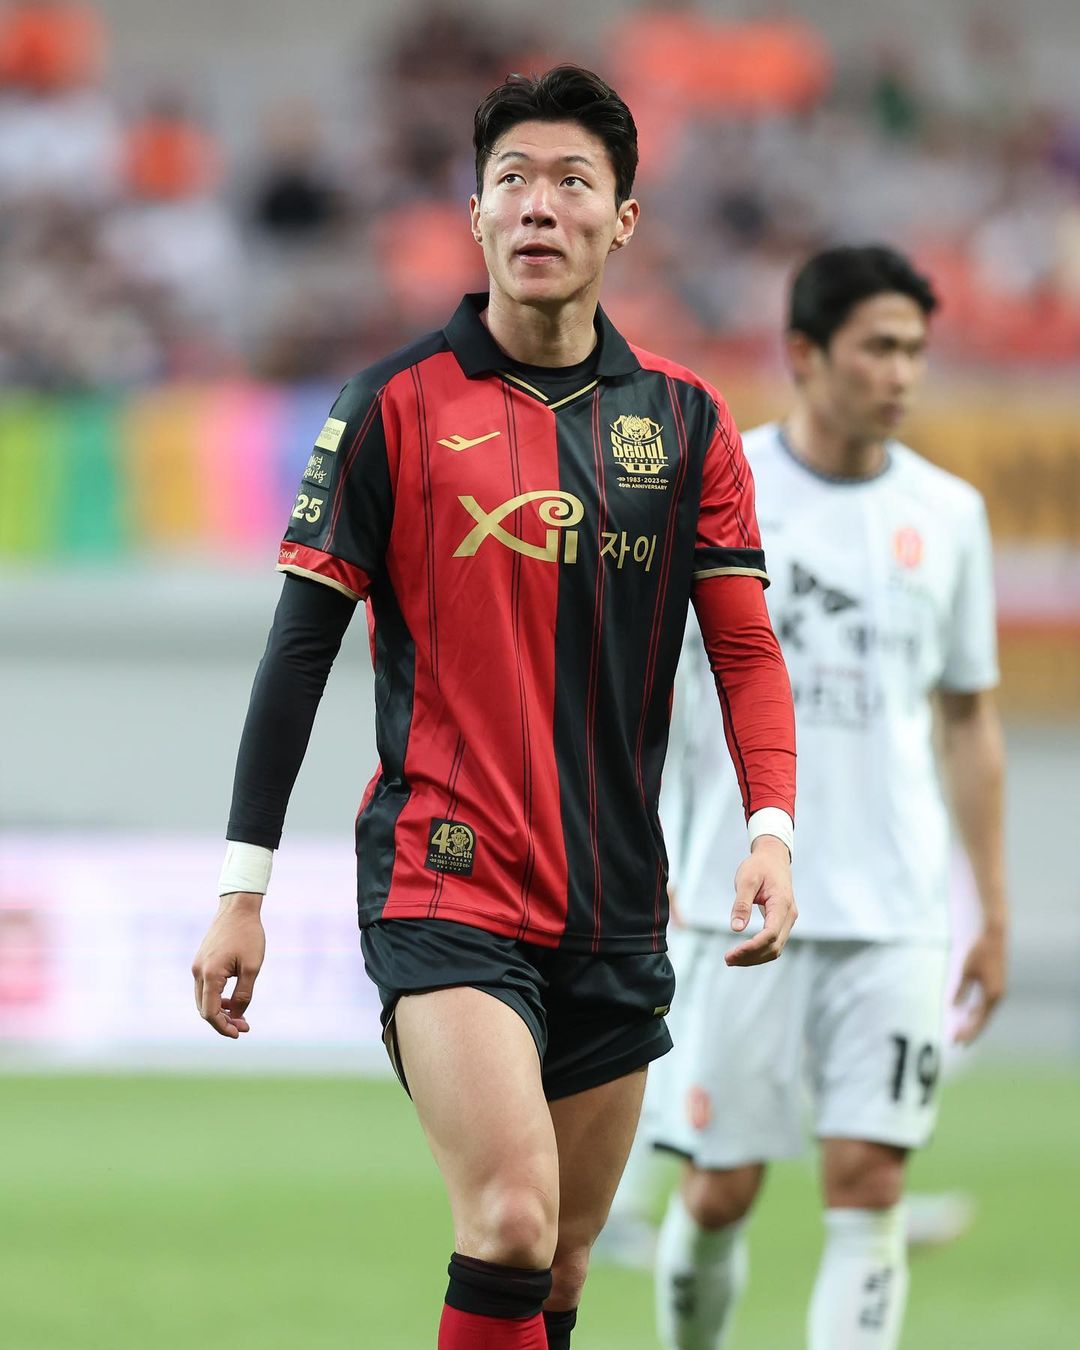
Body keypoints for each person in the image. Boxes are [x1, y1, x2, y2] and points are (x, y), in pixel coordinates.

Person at [190, 66, 798, 1350]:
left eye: (573, 181)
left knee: (562, 1266)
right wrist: (244, 887)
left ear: (622, 220)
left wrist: (772, 828)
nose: (538, 205)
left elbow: (744, 649)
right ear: (473, 215)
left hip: (614, 893)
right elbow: (297, 653)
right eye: (512, 180)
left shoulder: (688, 423)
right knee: (512, 1220)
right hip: (444, 877)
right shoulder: (390, 407)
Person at [648, 244, 1008, 1350]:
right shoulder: (721, 492)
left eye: (915, 350)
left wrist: (992, 908)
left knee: (870, 1180)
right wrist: (644, 848)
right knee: (721, 1189)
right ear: (804, 354)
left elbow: (967, 719)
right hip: (735, 898)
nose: (901, 374)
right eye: (877, 348)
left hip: (895, 907)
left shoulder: (948, 514)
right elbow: (646, 694)